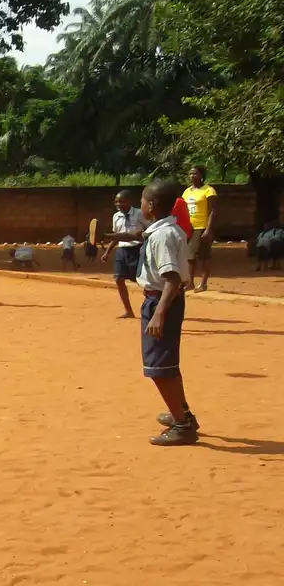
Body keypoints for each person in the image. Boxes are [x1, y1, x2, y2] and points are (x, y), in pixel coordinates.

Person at [135, 179, 199, 446]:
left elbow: (171, 278)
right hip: (164, 300)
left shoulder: (162, 236)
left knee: (159, 367)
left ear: (152, 205)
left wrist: (159, 313)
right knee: (167, 363)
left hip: (162, 301)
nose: (140, 206)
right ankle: (181, 413)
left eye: (142, 201)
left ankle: (182, 426)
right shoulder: (167, 230)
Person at [101, 190, 148, 319]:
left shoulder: (139, 214)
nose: (118, 204)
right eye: (116, 201)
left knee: (142, 281)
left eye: (121, 201)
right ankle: (128, 311)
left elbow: (148, 230)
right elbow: (116, 236)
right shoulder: (116, 216)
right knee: (118, 279)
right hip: (122, 250)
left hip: (137, 249)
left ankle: (153, 307)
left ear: (129, 201)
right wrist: (107, 252)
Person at [183, 166, 218, 292]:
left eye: (195, 173)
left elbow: (213, 210)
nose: (192, 176)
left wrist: (209, 229)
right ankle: (190, 282)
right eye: (190, 173)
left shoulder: (208, 190)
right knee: (189, 256)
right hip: (189, 227)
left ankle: (203, 283)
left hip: (202, 226)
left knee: (203, 256)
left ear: (201, 175)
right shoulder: (187, 192)